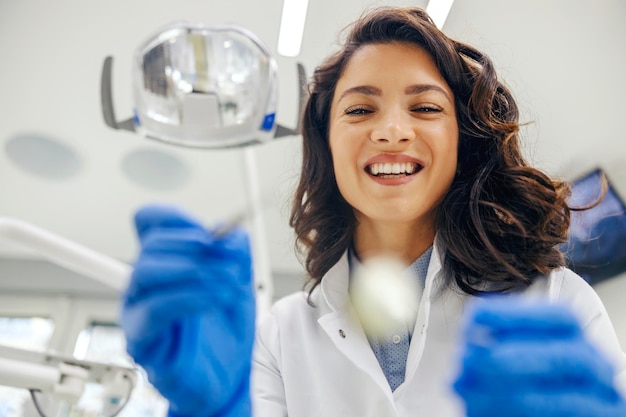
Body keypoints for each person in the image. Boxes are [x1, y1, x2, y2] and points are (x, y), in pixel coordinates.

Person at [121, 6, 626, 417]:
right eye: (360, 109)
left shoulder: (555, 301)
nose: (389, 131)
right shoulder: (280, 334)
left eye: (425, 108)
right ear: (327, 143)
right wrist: (211, 411)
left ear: (461, 143)